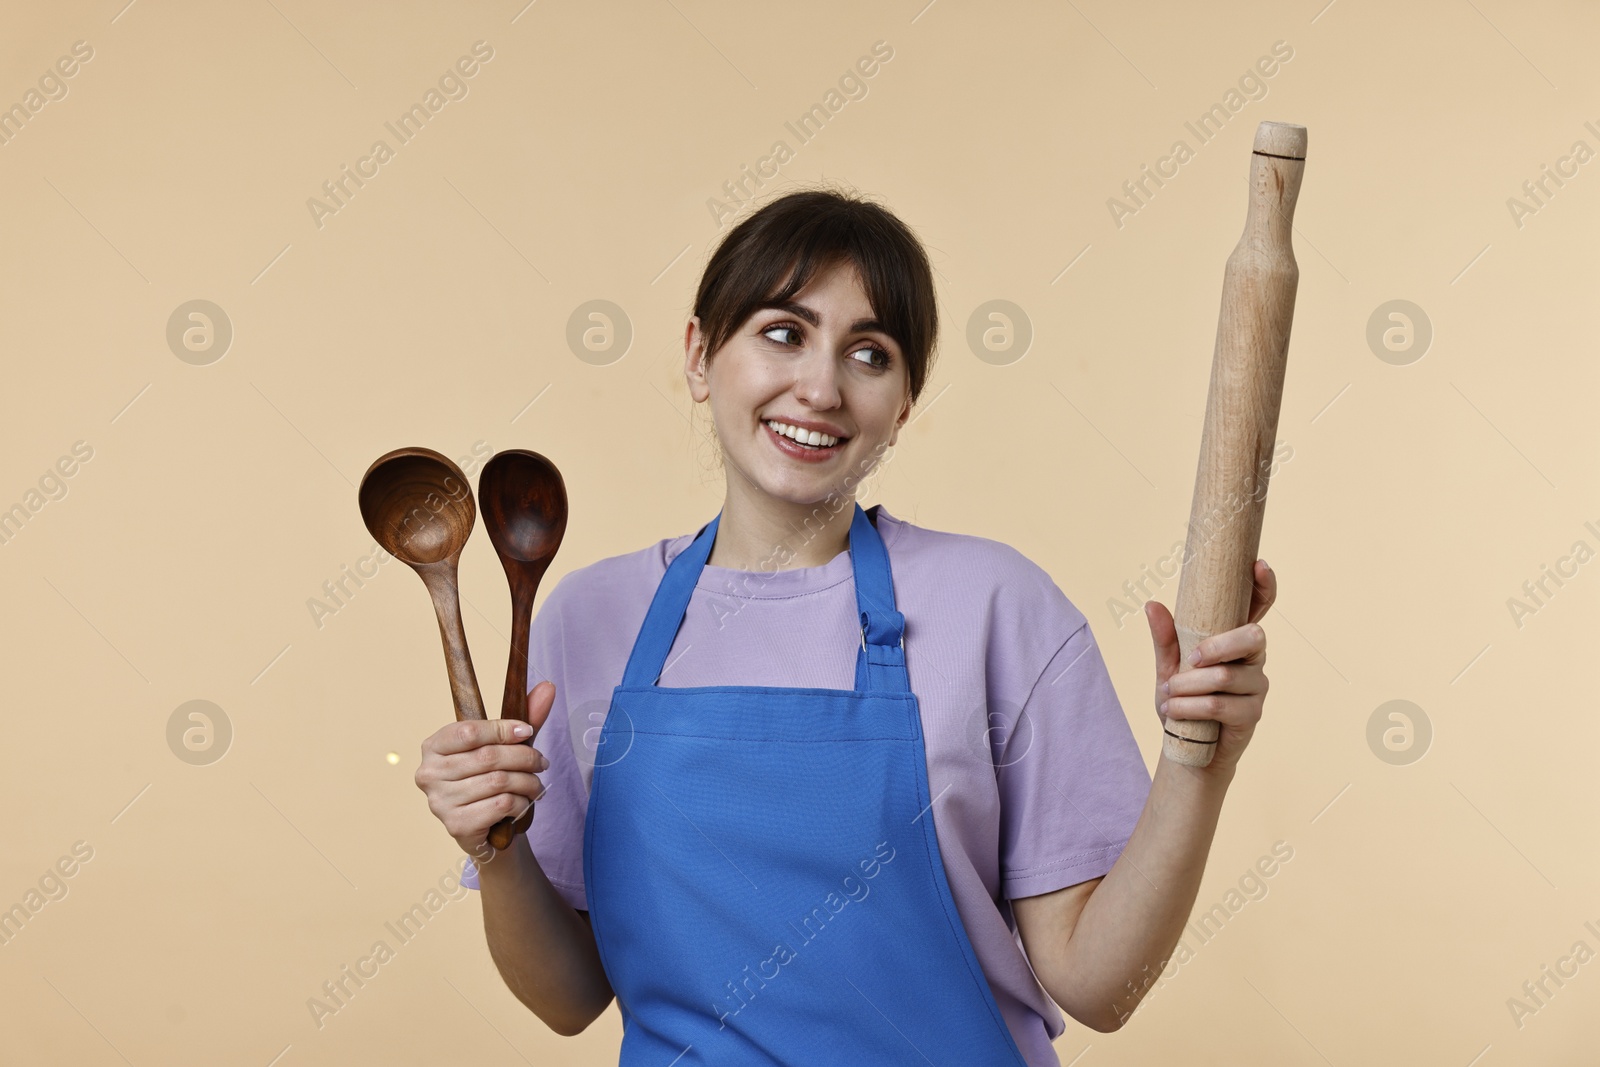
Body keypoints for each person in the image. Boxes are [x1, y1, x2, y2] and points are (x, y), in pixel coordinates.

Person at [414, 187, 1275, 1064]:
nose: (821, 387)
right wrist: (494, 849)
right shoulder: (589, 616)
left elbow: (1102, 987)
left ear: (903, 403)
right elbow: (567, 998)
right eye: (783, 333)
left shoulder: (996, 606)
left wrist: (1198, 760)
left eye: (870, 353)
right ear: (701, 354)